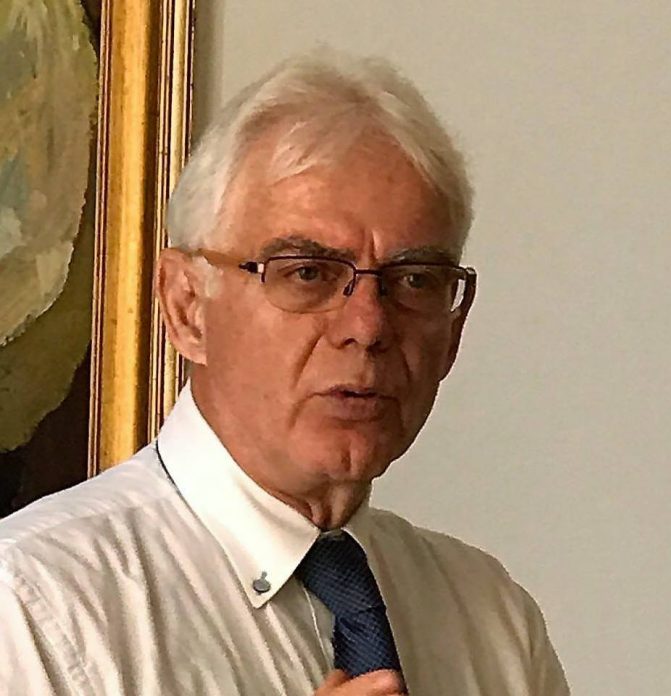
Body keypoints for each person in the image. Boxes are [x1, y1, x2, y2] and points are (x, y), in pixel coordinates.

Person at [0, 50, 570, 695]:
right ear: (187, 308)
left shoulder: (492, 619)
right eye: (307, 273)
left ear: (454, 331)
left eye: (414, 280)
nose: (368, 326)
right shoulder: (31, 609)